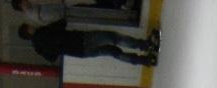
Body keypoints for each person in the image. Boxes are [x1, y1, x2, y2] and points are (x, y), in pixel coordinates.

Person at [19, 19, 158, 67]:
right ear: (28, 30)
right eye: (29, 26)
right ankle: (145, 45)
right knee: (113, 38)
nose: (32, 25)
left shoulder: (39, 49)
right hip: (80, 39)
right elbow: (60, 25)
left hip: (80, 52)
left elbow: (52, 58)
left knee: (111, 51)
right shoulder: (42, 32)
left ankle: (144, 60)